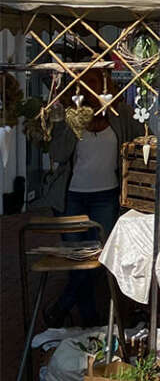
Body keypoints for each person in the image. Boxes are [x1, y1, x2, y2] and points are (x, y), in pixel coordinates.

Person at [43, 71, 132, 327]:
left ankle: (63, 306)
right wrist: (76, 122)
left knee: (96, 259)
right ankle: (90, 320)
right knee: (77, 259)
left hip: (106, 197)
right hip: (73, 198)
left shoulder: (119, 114)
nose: (87, 89)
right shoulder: (70, 115)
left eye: (93, 83)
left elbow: (139, 138)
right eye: (82, 84)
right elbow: (58, 154)